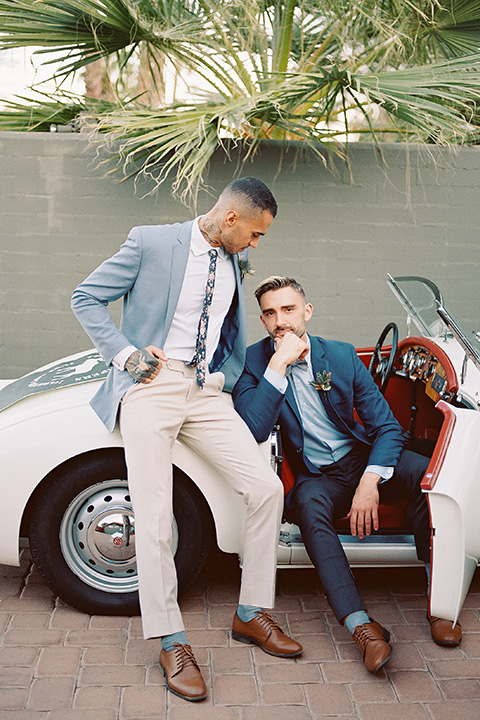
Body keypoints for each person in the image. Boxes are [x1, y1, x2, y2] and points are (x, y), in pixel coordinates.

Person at [71, 180, 302, 703]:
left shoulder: (232, 258)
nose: (257, 246)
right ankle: (171, 638)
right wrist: (126, 356)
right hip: (150, 386)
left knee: (265, 489)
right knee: (153, 516)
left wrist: (223, 375)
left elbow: (225, 328)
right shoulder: (151, 242)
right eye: (256, 234)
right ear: (229, 221)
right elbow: (85, 297)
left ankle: (251, 612)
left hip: (204, 390)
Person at [232, 275, 462, 675]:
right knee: (308, 508)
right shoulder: (253, 362)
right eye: (270, 313)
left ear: (307, 311)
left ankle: (440, 604)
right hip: (316, 476)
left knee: (430, 479)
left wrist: (370, 481)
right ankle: (363, 629)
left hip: (360, 460)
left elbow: (388, 428)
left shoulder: (338, 356)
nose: (280, 321)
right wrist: (278, 365)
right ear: (264, 320)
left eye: (288, 310)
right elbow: (252, 427)